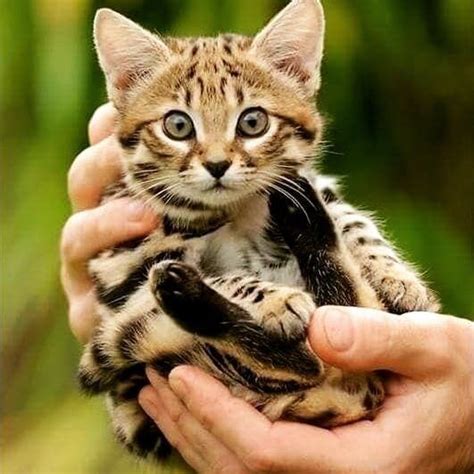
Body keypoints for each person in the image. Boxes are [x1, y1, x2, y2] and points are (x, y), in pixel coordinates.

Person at [61, 104, 474, 473]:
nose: (219, 158)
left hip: (321, 381)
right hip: (264, 378)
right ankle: (264, 319)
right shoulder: (141, 203)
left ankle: (252, 323)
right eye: (180, 126)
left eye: (251, 123)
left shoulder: (285, 182)